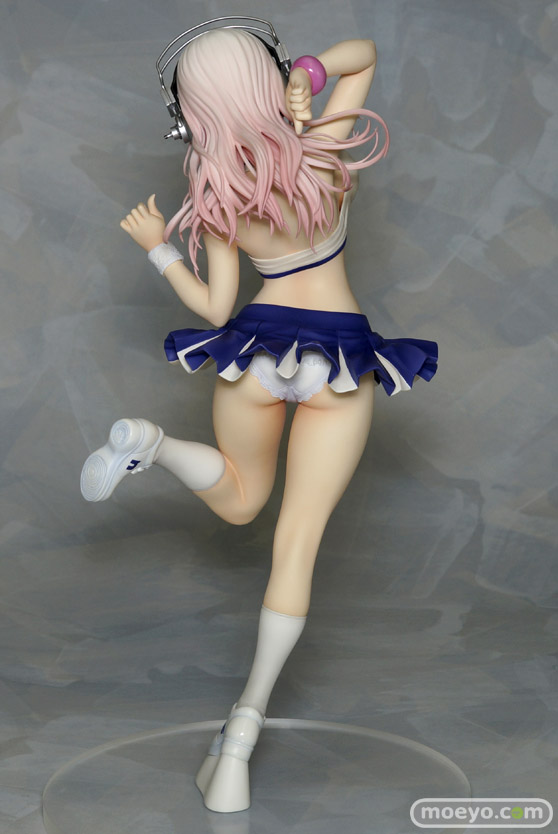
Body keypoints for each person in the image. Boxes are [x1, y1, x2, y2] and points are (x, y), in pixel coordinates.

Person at [80, 26, 438, 813]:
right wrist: (307, 74)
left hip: (257, 352)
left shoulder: (221, 202)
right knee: (294, 543)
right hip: (337, 360)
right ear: (266, 81)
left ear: (193, 112)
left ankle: (153, 445)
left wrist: (157, 247)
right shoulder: (325, 151)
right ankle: (242, 734)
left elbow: (215, 309)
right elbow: (365, 53)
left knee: (242, 499)